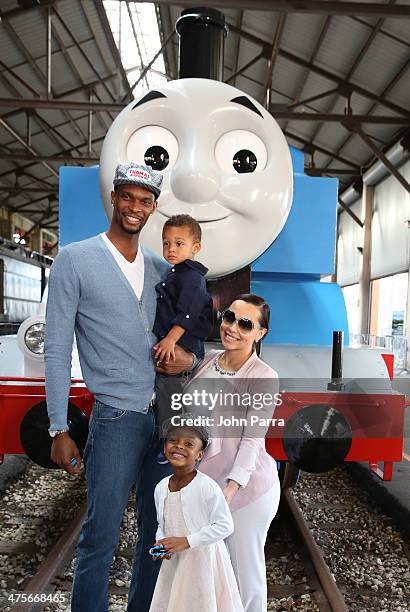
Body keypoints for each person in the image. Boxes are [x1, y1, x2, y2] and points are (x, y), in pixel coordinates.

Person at [45, 162, 196, 612]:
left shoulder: (159, 266)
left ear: (153, 207)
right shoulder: (75, 259)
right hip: (115, 417)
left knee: (158, 531)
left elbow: (184, 337)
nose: (135, 207)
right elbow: (56, 347)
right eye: (127, 197)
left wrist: (190, 357)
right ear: (113, 198)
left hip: (165, 420)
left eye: (145, 200)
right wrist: (58, 427)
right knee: (101, 532)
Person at [187, 294, 281, 612]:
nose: (232, 328)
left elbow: (252, 440)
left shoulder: (264, 377)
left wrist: (231, 488)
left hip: (245, 491)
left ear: (260, 333)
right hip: (207, 486)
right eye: (229, 318)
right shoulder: (209, 360)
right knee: (214, 576)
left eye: (245, 324)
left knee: (244, 578)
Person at [149, 418, 244, 612]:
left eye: (189, 444)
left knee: (199, 602)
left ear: (199, 455)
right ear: (165, 446)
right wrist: (161, 543)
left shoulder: (206, 486)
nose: (179, 446)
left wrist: (188, 541)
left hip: (202, 560)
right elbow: (162, 523)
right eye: (173, 440)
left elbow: (225, 525)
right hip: (176, 560)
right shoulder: (161, 487)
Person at [152, 214, 213, 463]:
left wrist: (170, 341)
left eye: (179, 243)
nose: (170, 248)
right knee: (167, 393)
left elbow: (188, 312)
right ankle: (169, 439)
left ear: (195, 248)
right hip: (175, 340)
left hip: (184, 343)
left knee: (171, 395)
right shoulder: (176, 273)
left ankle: (172, 443)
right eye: (166, 243)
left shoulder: (192, 277)